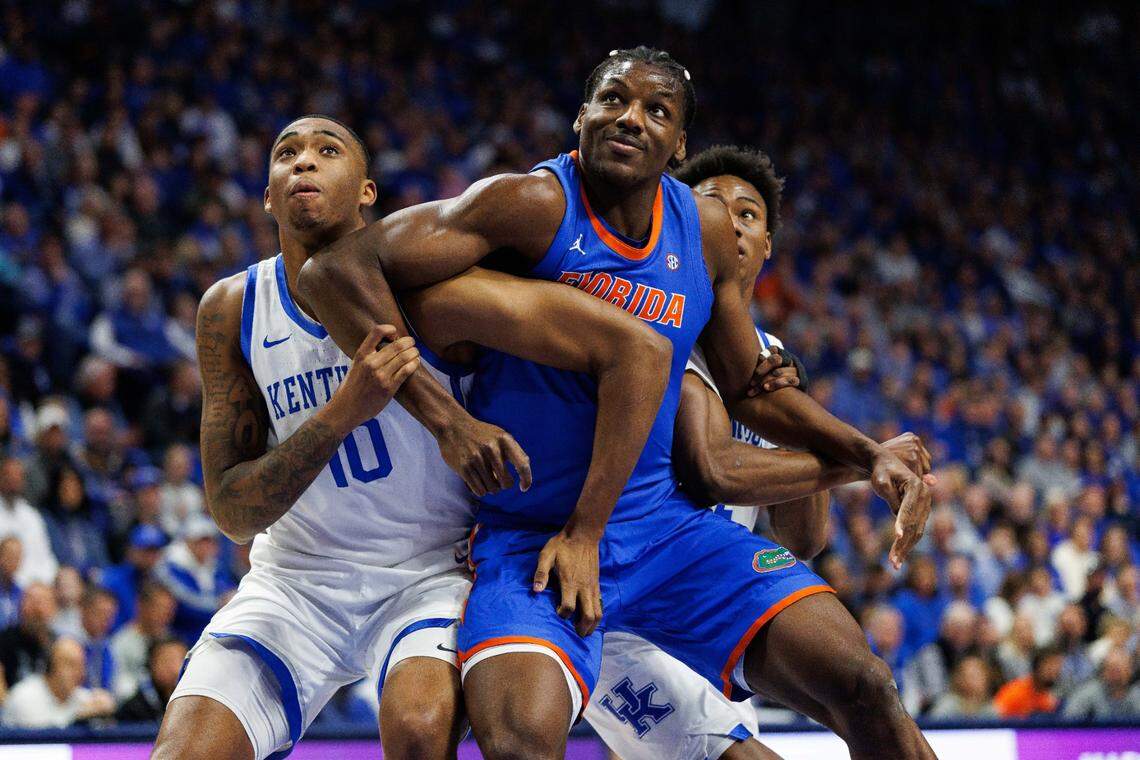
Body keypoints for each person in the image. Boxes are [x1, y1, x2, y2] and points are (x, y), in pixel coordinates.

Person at [299, 48, 933, 760]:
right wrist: (446, 420)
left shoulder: (706, 230)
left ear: (679, 143)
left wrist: (869, 452)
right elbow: (334, 271)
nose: (630, 118)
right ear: (581, 115)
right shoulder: (532, 205)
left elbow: (753, 388)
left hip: (667, 532)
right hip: (533, 536)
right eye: (611, 100)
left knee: (866, 685)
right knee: (517, 744)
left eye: (656, 110)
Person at [153, 114, 672, 760]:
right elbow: (232, 514)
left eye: (326, 149)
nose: (303, 162)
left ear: (367, 191)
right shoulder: (232, 308)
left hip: (427, 574)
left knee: (421, 732)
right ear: (266, 196)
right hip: (293, 583)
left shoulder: (436, 290)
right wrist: (343, 411)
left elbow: (601, 344)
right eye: (286, 152)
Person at [583, 145, 933, 759]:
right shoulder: (648, 314)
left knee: (871, 687)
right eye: (713, 205)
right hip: (619, 607)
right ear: (682, 222)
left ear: (767, 245)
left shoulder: (768, 355)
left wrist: (802, 431)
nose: (732, 222)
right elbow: (713, 469)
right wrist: (866, 458)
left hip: (717, 592)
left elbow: (802, 539)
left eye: (748, 214)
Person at [153, 513, 235, 643]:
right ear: (188, 541)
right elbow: (185, 603)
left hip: (209, 629)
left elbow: (228, 590)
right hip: (182, 632)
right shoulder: (171, 565)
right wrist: (218, 604)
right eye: (201, 541)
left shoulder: (214, 566)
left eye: (209, 541)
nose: (206, 546)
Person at [0, 637, 115, 728]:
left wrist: (107, 715)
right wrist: (79, 720)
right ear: (51, 666)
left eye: (81, 666)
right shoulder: (24, 697)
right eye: (71, 665)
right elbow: (46, 743)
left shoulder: (84, 699)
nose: (79, 673)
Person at [111, 580, 176, 700]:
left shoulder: (171, 643)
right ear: (142, 606)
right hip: (132, 706)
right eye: (160, 608)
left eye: (169, 609)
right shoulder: (121, 643)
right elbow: (119, 685)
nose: (165, 614)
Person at [96, 523, 167, 631]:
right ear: (131, 550)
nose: (150, 557)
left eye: (154, 551)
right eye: (145, 551)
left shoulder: (159, 580)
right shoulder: (111, 579)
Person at [0, 455, 58, 586]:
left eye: (18, 476)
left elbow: (46, 558)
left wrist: (41, 584)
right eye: (8, 475)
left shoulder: (32, 516)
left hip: (34, 585)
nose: (13, 480)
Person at [115, 636, 188, 723]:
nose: (175, 668)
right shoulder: (134, 708)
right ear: (150, 665)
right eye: (167, 660)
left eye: (180, 660)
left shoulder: (196, 702)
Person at [0, 581, 56, 686]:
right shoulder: (4, 642)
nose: (36, 608)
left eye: (42, 602)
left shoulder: (58, 646)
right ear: (20, 607)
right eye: (31, 600)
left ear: (53, 609)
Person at [1061, 646, 1140, 720]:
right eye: (1111, 669)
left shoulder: (1136, 694)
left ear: (1130, 671)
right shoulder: (1088, 693)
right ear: (1103, 671)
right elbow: (1069, 722)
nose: (1115, 675)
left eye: (1120, 670)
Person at [993, 646, 1063, 718]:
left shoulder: (1052, 696)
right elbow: (997, 718)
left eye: (1058, 665)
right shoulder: (1015, 692)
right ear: (1036, 666)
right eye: (1050, 665)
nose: (1054, 670)